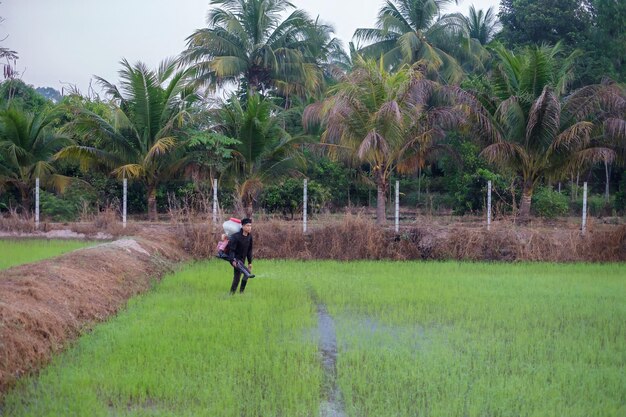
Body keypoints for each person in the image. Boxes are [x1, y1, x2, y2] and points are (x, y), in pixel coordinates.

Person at [227, 217, 254, 294]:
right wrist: (232, 260)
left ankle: (241, 292)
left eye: (250, 226)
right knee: (240, 276)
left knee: (245, 274)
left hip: (242, 260)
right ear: (242, 226)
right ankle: (231, 293)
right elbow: (231, 250)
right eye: (247, 226)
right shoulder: (236, 237)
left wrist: (250, 262)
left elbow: (249, 250)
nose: (249, 227)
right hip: (235, 259)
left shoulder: (250, 237)